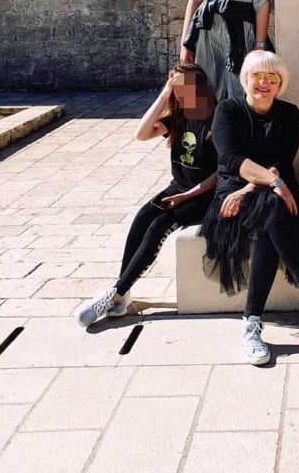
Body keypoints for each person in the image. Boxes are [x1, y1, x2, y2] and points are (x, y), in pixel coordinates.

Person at [201, 50, 299, 365]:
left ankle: (251, 324)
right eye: (258, 76)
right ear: (246, 78)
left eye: (272, 78)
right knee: (269, 211)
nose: (264, 83)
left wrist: (261, 184)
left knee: (268, 216)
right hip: (233, 198)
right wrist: (266, 184)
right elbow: (231, 159)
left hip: (275, 197)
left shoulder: (289, 113)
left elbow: (282, 161)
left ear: (281, 83)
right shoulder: (228, 110)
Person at [76, 63, 218, 327]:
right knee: (143, 216)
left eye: (184, 88)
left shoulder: (215, 118)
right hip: (178, 188)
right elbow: (140, 134)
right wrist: (164, 94)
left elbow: (221, 173)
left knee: (159, 225)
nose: (180, 94)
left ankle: (115, 294)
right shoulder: (180, 116)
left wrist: (187, 197)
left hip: (204, 195)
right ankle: (122, 291)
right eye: (177, 89)